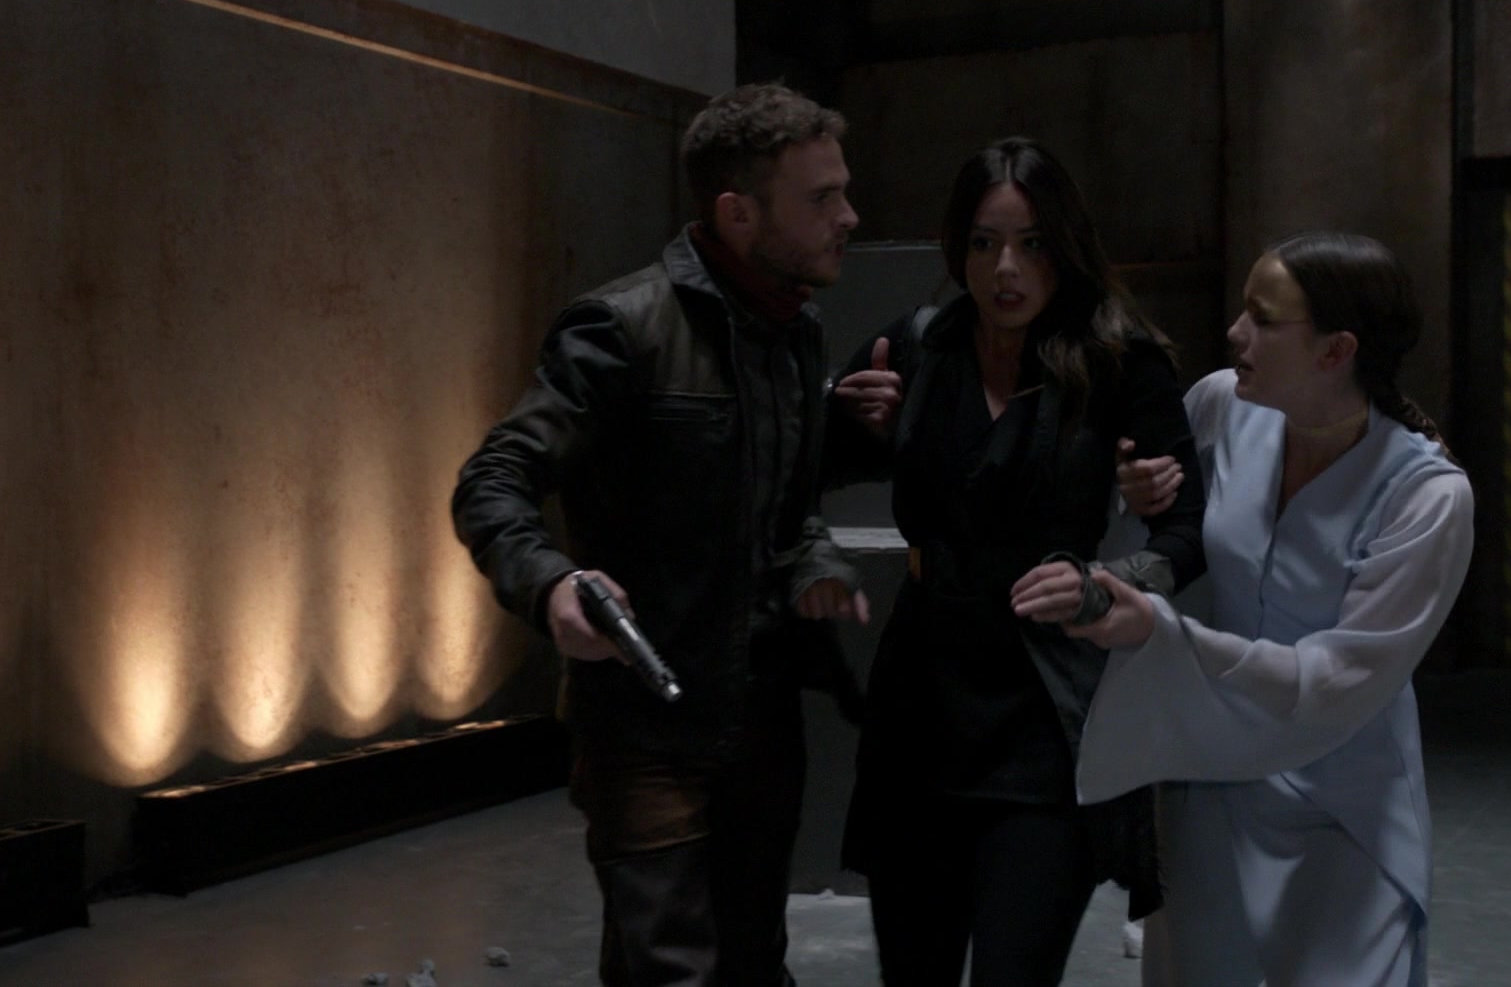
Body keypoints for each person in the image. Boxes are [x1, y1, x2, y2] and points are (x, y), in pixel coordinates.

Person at [451, 83, 870, 987]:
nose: (849, 217)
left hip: (762, 713)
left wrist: (819, 544)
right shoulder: (623, 327)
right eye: (822, 198)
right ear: (738, 212)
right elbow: (494, 478)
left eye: (843, 192)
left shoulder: (792, 325)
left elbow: (781, 506)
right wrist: (553, 584)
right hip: (646, 720)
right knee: (668, 968)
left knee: (752, 962)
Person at [824, 136, 1207, 986]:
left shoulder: (1117, 358)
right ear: (957, 248)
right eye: (985, 243)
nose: (1006, 269)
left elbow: (1188, 531)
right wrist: (854, 424)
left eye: (1032, 244)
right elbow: (810, 469)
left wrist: (1108, 585)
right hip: (922, 695)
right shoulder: (918, 345)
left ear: (1064, 246)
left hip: (1043, 704)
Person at [1074, 231, 1475, 986]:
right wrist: (1138, 504)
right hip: (1208, 782)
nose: (1235, 333)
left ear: (1336, 351)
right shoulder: (1221, 406)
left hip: (1342, 799)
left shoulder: (1426, 497)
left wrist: (1165, 636)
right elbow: (1162, 550)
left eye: (1262, 319)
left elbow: (1338, 680)